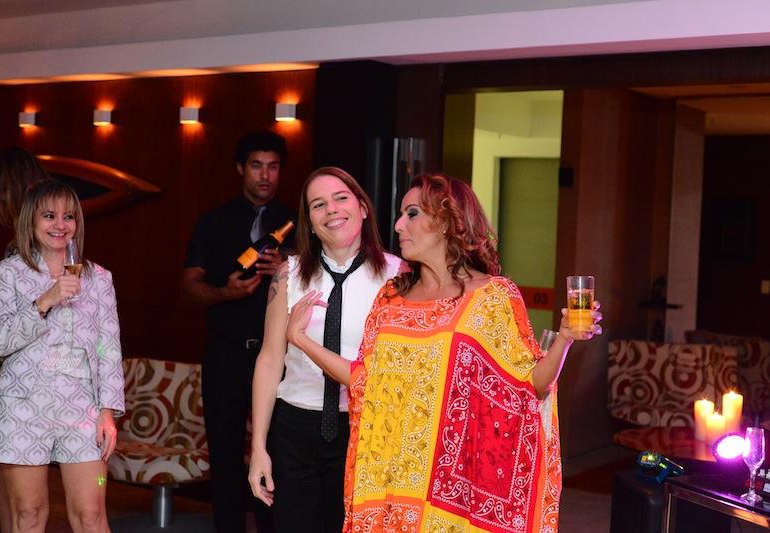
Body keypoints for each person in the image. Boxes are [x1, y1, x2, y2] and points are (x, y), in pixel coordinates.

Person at [287, 173, 603, 532]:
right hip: (394, 485)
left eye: (412, 213)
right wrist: (301, 340)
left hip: (456, 491)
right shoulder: (391, 299)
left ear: (446, 221)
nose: (398, 225)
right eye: (401, 214)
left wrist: (564, 339)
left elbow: (528, 386)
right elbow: (365, 380)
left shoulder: (492, 297)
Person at [249, 166, 403, 532]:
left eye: (340, 198)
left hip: (365, 430)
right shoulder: (288, 274)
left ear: (362, 208)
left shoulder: (399, 276)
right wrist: (258, 448)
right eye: (318, 204)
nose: (331, 209)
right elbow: (269, 361)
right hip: (294, 429)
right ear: (311, 223)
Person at [0, 178, 124, 532]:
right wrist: (45, 300)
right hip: (22, 410)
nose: (60, 225)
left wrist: (107, 411)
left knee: (91, 514)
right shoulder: (6, 274)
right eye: (49, 216)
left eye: (69, 216)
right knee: (28, 514)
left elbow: (109, 349)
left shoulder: (99, 278)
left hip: (83, 410)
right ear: (31, 221)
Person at [181, 131, 295, 532]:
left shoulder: (297, 222)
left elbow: (320, 286)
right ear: (240, 169)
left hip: (279, 358)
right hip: (225, 354)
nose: (265, 175)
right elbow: (189, 287)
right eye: (257, 165)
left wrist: (288, 268)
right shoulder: (214, 221)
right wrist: (224, 292)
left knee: (277, 453)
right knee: (225, 455)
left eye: (273, 166)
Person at [0, 147, 49, 533]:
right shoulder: (34, 235)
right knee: (0, 459)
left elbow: (40, 300)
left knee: (1, 459)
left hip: (17, 365)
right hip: (12, 362)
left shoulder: (34, 238)